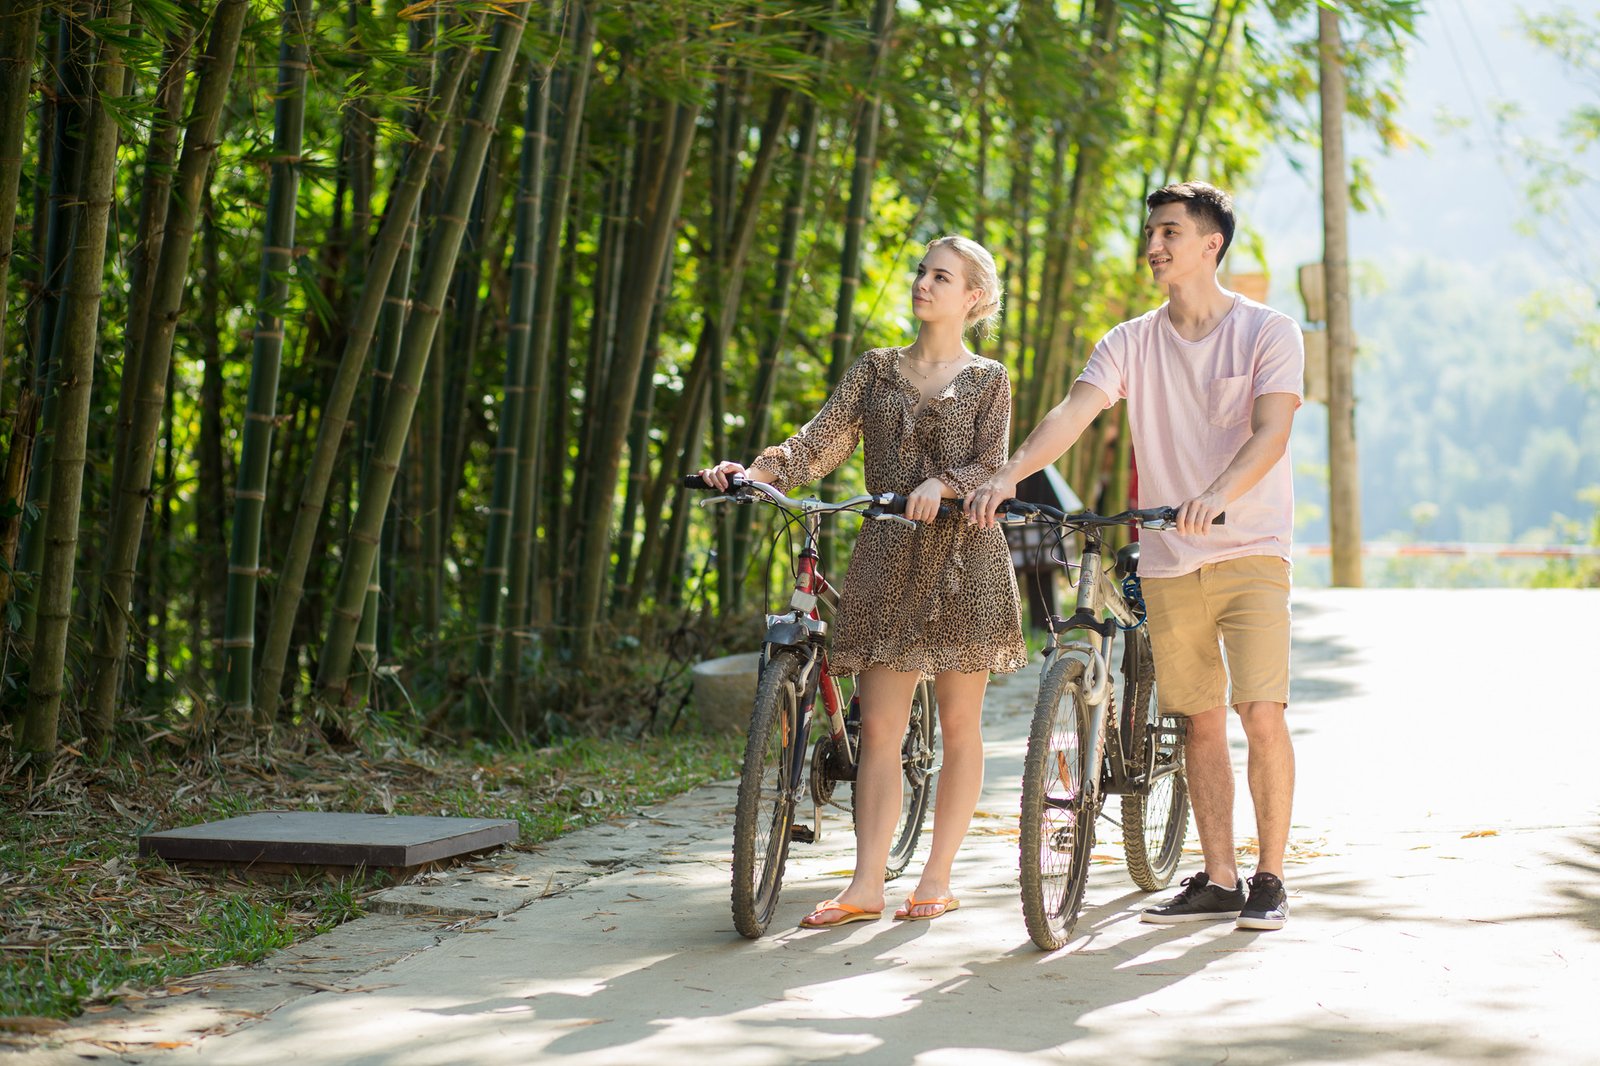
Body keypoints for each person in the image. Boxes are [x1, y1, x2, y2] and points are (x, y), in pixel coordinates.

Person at [966, 181, 1303, 931]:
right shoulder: (1130, 340)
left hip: (1251, 548)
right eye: (1151, 232)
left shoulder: (1268, 331)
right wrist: (1007, 474)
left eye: (1170, 233)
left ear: (1211, 244)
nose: (1154, 245)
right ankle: (1220, 880)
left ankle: (1271, 877)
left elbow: (1272, 431)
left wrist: (1216, 493)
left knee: (1260, 711)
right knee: (1198, 721)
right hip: (1168, 553)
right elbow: (1073, 412)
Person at [698, 236, 1027, 928]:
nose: (923, 283)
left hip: (967, 559)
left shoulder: (990, 378)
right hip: (886, 554)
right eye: (921, 271)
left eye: (942, 276)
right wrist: (758, 472)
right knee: (879, 727)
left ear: (972, 297)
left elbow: (995, 466)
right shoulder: (874, 371)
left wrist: (945, 482)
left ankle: (936, 875)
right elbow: (819, 440)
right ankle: (867, 884)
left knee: (961, 725)